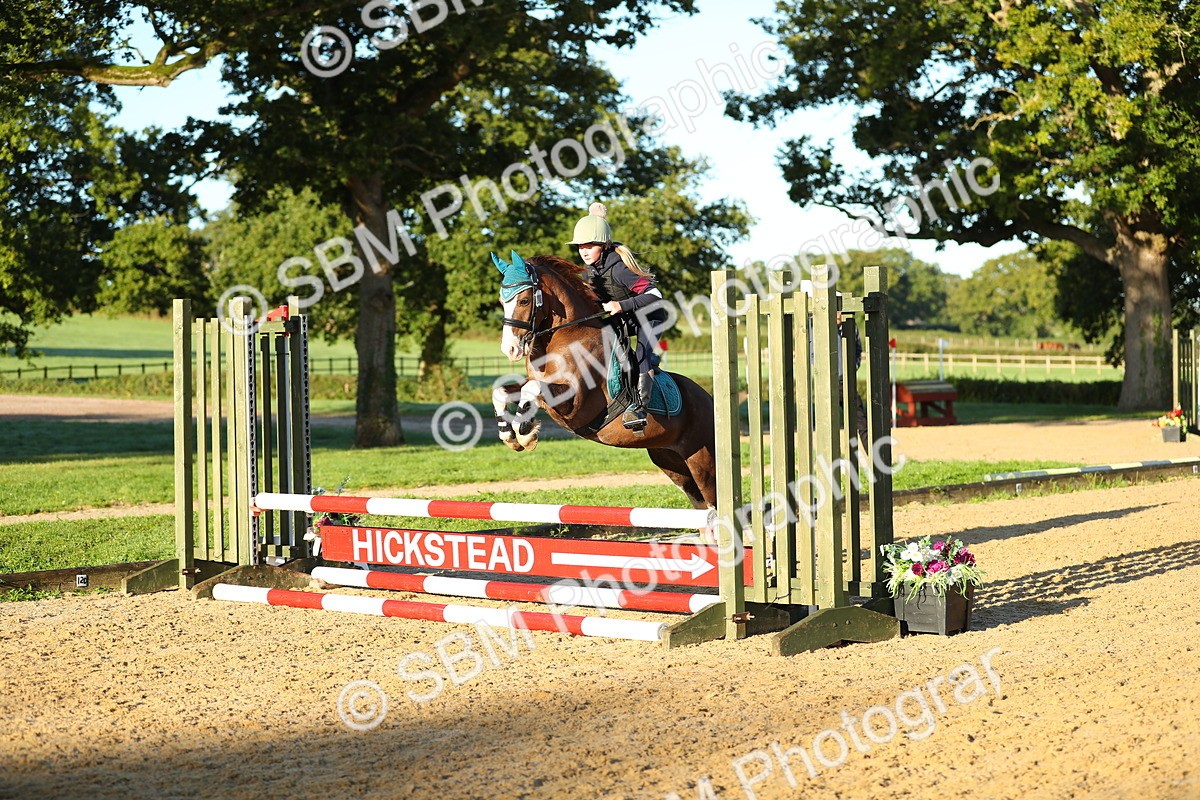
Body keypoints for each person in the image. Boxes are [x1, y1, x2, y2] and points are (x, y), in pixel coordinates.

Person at [568, 202, 667, 431]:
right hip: (625, 317)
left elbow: (656, 294)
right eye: (580, 246)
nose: (583, 250)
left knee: (641, 354)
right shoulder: (591, 271)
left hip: (649, 315)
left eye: (590, 245)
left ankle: (640, 409)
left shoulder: (620, 268)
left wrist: (621, 305)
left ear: (604, 245)